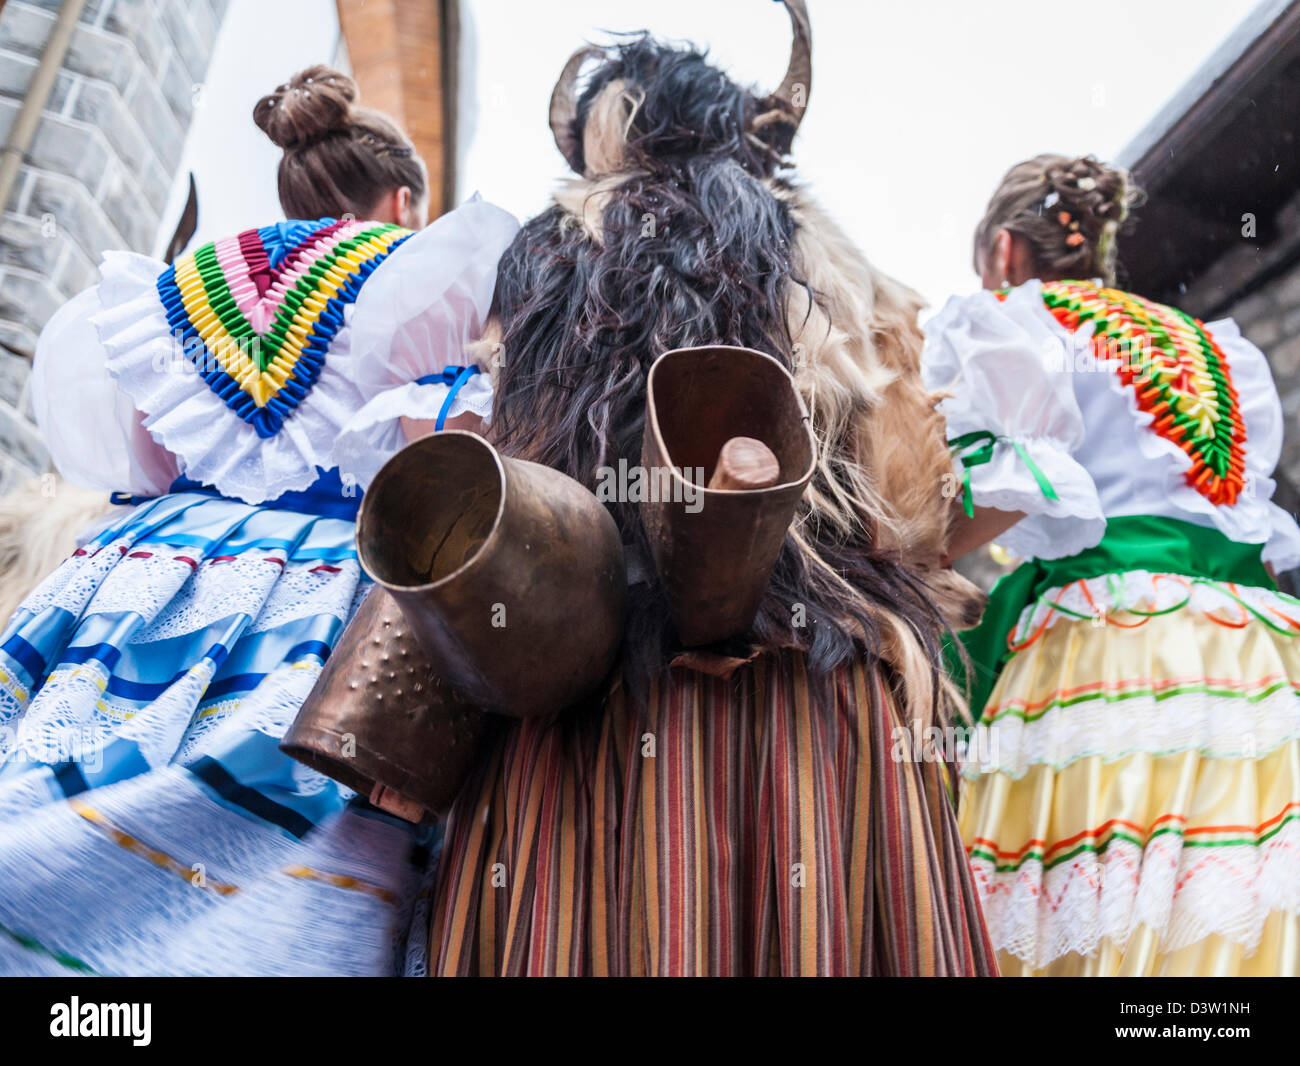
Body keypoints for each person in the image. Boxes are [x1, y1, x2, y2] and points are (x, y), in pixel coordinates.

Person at [421, 4, 997, 976]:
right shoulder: (830, 259)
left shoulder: (538, 254)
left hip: (578, 692)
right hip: (802, 694)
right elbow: (906, 502)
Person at [0, 65, 517, 975]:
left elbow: (143, 462)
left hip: (140, 576)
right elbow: (443, 450)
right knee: (287, 822)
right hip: (319, 595)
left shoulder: (177, 288)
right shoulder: (422, 274)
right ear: (402, 198)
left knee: (54, 750)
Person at [926, 153, 1300, 975]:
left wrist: (905, 563)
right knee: (1235, 889)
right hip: (1253, 648)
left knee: (1094, 886)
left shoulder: (1015, 318)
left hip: (1107, 645)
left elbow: (1018, 487)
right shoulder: (1210, 349)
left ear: (1003, 255)